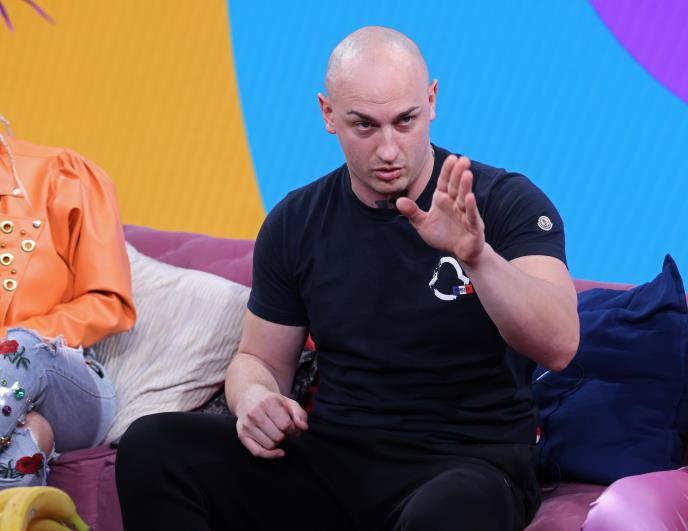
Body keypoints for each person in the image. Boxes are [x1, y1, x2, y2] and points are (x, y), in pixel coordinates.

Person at [116, 26, 579, 531]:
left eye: (405, 121)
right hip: (335, 457)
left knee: (447, 514)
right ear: (328, 114)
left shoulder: (503, 202)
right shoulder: (296, 221)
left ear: (431, 101)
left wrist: (478, 258)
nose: (388, 150)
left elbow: (559, 345)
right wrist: (253, 399)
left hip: (468, 462)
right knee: (152, 446)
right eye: (364, 126)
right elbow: (258, 360)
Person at [0, 125, 135, 487]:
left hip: (63, 381)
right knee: (27, 443)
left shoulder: (61, 175)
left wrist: (6, 339)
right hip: (14, 410)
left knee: (18, 347)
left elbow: (109, 304)